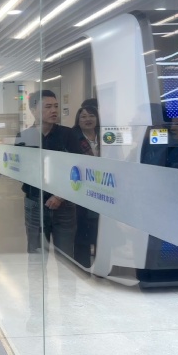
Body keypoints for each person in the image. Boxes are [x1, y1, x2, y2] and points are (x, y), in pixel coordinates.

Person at [15, 90, 82, 256]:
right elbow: (21, 171)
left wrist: (60, 196)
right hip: (35, 202)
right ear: (33, 110)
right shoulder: (24, 136)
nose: (54, 111)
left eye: (56, 106)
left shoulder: (68, 135)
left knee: (66, 257)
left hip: (64, 204)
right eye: (48, 107)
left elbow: (78, 169)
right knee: (36, 255)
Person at [72, 102, 100, 267]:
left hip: (103, 188)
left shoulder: (106, 136)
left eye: (91, 115)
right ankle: (82, 265)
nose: (88, 119)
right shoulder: (73, 137)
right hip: (81, 189)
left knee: (100, 229)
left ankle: (101, 263)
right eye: (83, 116)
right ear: (78, 120)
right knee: (82, 228)